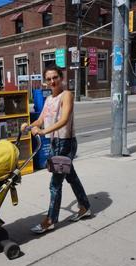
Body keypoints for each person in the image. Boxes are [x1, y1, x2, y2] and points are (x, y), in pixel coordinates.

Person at [21, 65, 92, 234]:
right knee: (71, 177)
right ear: (45, 82)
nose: (52, 81)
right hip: (55, 143)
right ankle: (85, 207)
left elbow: (65, 119)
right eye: (49, 79)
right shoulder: (48, 100)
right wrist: (28, 126)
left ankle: (51, 220)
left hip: (66, 143)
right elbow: (40, 120)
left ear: (61, 78)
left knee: (55, 184)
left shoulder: (66, 95)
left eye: (55, 77)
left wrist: (44, 131)